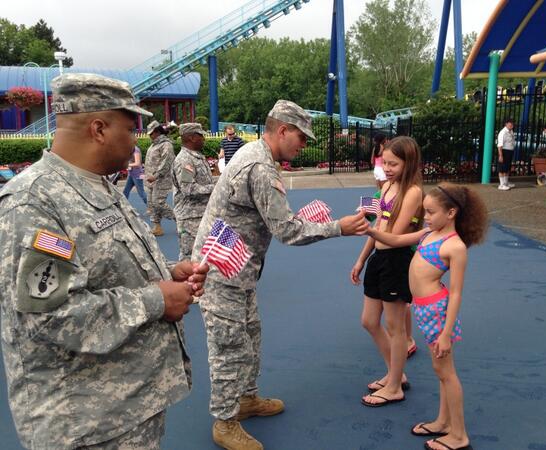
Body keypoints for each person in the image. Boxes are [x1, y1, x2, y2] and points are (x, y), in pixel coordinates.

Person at [0, 73, 209, 450]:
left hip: (122, 409)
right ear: (99, 129)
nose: (136, 140)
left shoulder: (96, 184)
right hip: (84, 427)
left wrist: (167, 271)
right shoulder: (35, 203)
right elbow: (48, 315)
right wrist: (157, 299)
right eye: (130, 129)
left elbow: (103, 261)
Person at [191, 100, 369, 450]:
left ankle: (246, 399)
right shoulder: (260, 166)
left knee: (250, 337)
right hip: (222, 273)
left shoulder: (257, 156)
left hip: (237, 270)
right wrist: (340, 228)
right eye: (301, 138)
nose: (303, 145)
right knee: (230, 347)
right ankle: (224, 422)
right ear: (283, 130)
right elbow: (287, 231)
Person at [367, 182, 488, 450]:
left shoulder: (454, 246)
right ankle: (444, 422)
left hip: (437, 311)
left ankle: (459, 434)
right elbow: (397, 240)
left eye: (431, 212)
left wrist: (446, 334)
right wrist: (370, 230)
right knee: (440, 370)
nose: (426, 217)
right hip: (424, 308)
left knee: (446, 372)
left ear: (452, 213)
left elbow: (456, 293)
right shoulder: (428, 233)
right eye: (425, 212)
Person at [351, 136, 423, 407]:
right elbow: (379, 225)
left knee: (395, 328)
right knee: (369, 321)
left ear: (409, 162)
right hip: (378, 259)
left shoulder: (413, 192)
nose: (388, 168)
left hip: (396, 260)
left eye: (394, 163)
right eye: (385, 162)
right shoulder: (388, 185)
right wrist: (361, 259)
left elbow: (393, 234)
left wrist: (365, 227)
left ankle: (394, 386)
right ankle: (396, 373)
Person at [172, 122, 215, 260]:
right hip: (191, 218)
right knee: (190, 259)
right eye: (201, 135)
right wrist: (216, 188)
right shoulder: (185, 160)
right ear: (191, 138)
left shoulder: (196, 156)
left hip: (203, 214)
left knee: (209, 255)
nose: (204, 139)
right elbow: (188, 188)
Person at [145, 119, 176, 236]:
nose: (150, 136)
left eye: (151, 133)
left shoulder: (166, 145)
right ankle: (157, 227)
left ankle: (178, 219)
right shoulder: (154, 145)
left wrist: (156, 175)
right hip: (150, 180)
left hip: (162, 179)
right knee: (152, 204)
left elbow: (166, 162)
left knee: (158, 203)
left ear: (157, 132)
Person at [496, 118, 515, 191]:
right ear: (506, 124)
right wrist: (500, 155)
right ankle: (501, 184)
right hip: (504, 151)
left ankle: (506, 183)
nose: (511, 125)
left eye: (512, 124)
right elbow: (499, 145)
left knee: (507, 168)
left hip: (510, 151)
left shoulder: (511, 131)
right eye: (510, 124)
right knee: (502, 168)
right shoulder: (503, 132)